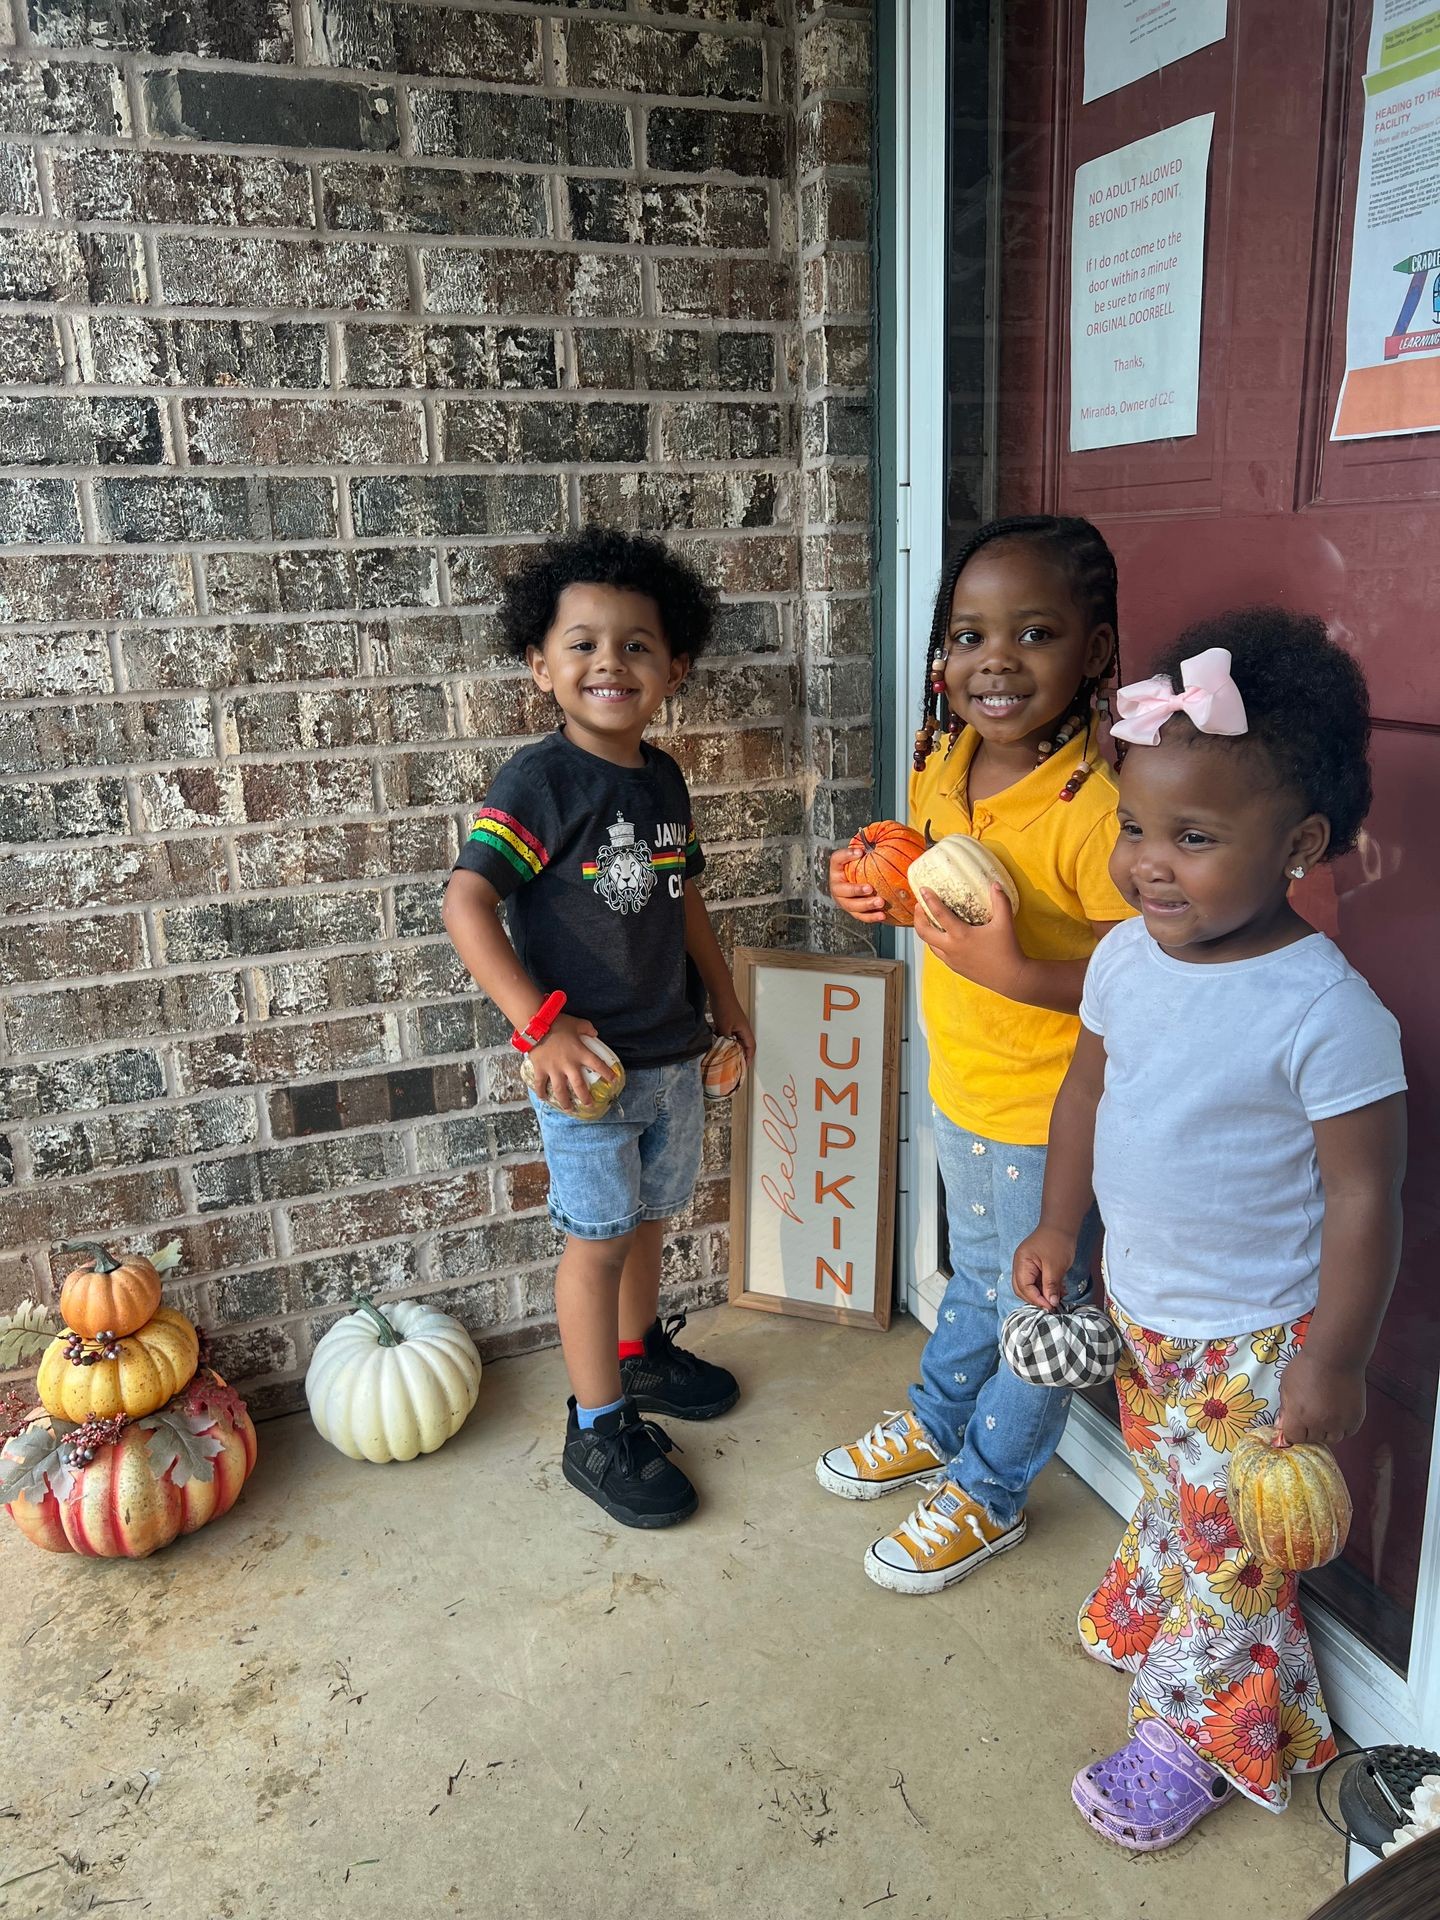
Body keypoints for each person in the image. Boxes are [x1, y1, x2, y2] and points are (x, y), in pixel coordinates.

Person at [1013, 611, 1407, 1850]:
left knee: (1238, 1546)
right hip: (1144, 1304)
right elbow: (1087, 1090)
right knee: (1179, 1494)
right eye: (1134, 828)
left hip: (1253, 1340)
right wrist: (1056, 1222)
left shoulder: (1327, 1012)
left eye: (1194, 838)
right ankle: (1155, 1598)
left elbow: (1364, 1198)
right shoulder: (1128, 958)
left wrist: (1333, 1358)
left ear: (1297, 846)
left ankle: (1198, 1729)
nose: (1148, 865)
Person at [821, 514, 1134, 1592]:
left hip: (1052, 1109)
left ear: (1094, 651)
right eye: (968, 635)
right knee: (974, 1279)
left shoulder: (1100, 809)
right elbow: (929, 889)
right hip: (960, 1078)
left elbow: (1147, 972)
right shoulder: (943, 756)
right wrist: (874, 883)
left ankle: (992, 1486)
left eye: (1035, 632)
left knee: (1033, 1307)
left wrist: (1015, 974)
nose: (994, 660)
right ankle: (939, 1420)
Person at [443, 527, 755, 1530]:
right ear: (541, 666)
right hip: (589, 1075)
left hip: (673, 1053)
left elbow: (688, 907)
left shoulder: (662, 779)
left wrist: (730, 1005)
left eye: (635, 645)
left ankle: (637, 1355)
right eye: (581, 644)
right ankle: (598, 1424)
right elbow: (464, 903)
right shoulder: (538, 785)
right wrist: (541, 1028)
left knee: (651, 1221)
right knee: (595, 1245)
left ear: (674, 668)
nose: (608, 663)